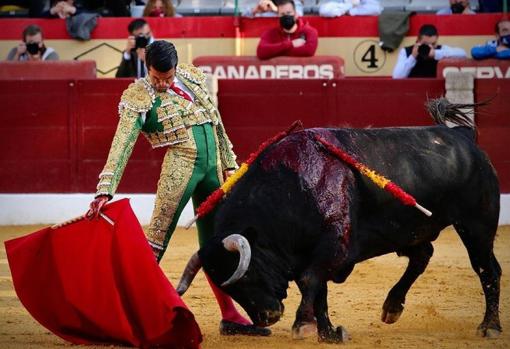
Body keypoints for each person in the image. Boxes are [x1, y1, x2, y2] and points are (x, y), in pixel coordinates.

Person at [87, 40, 271, 337]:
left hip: (213, 172)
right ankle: (125, 316)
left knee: (216, 245)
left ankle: (229, 314)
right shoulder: (138, 95)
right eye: (157, 77)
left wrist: (229, 166)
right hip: (180, 170)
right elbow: (121, 144)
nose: (163, 83)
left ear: (176, 67)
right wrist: (104, 188)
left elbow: (216, 123)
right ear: (147, 67)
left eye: (168, 77)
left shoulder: (193, 77)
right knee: (155, 244)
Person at [392, 24, 467, 79]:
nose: (430, 47)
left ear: (437, 38)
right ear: (418, 39)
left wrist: (436, 53)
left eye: (433, 44)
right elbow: (397, 77)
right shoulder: (406, 51)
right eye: (425, 44)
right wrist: (412, 57)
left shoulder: (440, 49)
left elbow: (463, 54)